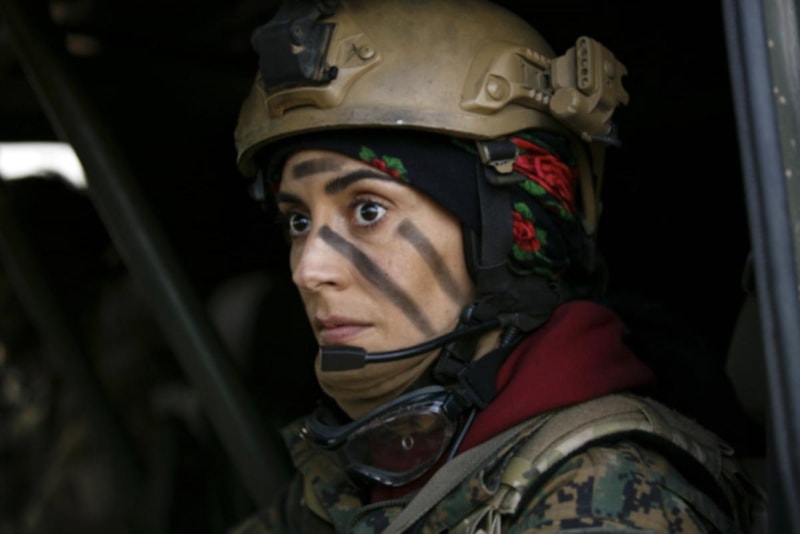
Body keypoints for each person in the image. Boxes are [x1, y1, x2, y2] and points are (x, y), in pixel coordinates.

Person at [229, 0, 764, 532]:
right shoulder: (357, 469)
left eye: (368, 211)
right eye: (298, 220)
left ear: (512, 239)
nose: (308, 270)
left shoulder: (606, 501)